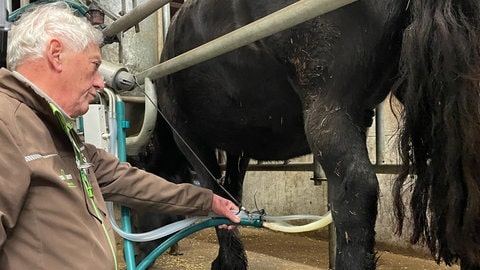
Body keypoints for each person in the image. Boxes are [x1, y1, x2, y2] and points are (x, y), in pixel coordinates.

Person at [0, 2, 240, 269]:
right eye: (94, 66)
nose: (100, 82)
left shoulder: (56, 132)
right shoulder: (6, 125)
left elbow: (125, 179)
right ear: (56, 54)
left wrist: (208, 201)